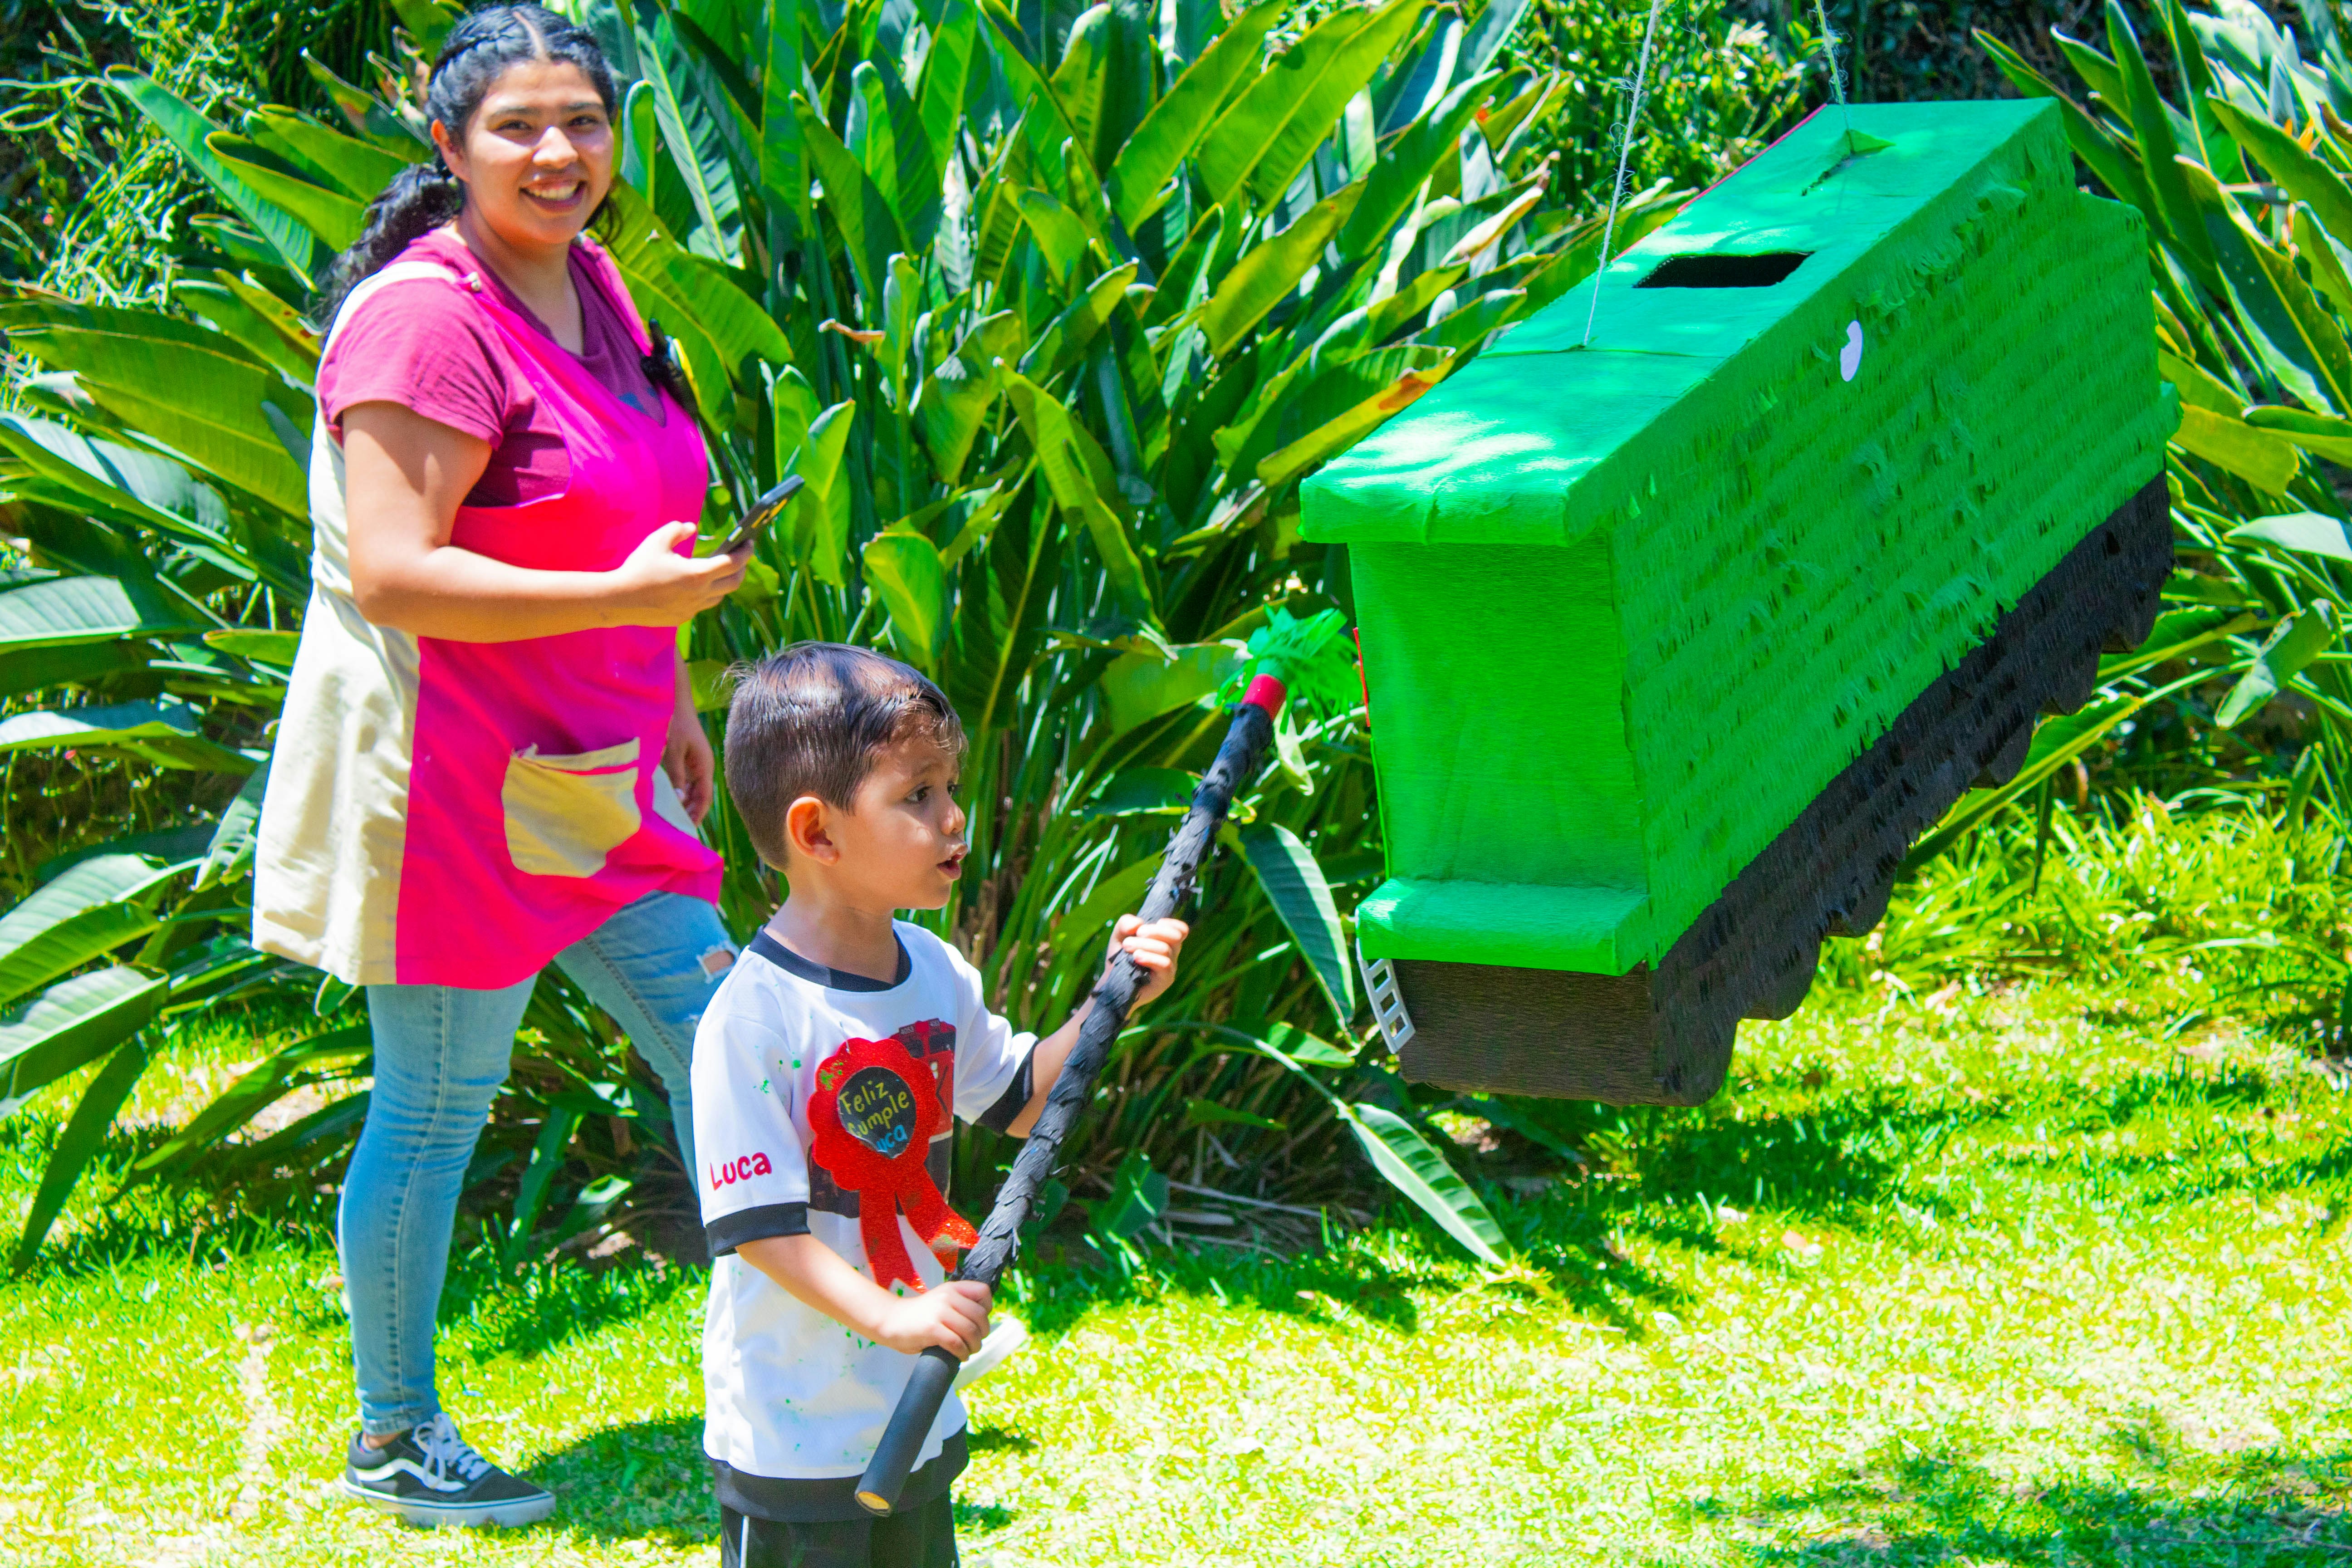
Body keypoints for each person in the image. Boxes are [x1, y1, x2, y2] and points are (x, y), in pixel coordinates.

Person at [250, 3, 751, 1529]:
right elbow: (400, 572)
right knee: (440, 1100)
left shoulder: (591, 283)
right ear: (449, 140)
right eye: (519, 126)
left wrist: (658, 678)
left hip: (588, 761)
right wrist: (633, 608)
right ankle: (395, 1433)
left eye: (583, 123)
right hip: (455, 780)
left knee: (730, 1041)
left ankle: (800, 1362)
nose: (557, 152)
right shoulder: (424, 320)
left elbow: (616, 514)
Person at [693, 644, 1189, 1568]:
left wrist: (1113, 997)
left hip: (911, 1406)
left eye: (949, 787)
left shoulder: (931, 973)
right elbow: (760, 1231)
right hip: (796, 1433)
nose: (955, 817)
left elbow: (1012, 1098)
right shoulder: (755, 1016)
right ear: (818, 834)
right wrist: (896, 1320)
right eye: (917, 795)